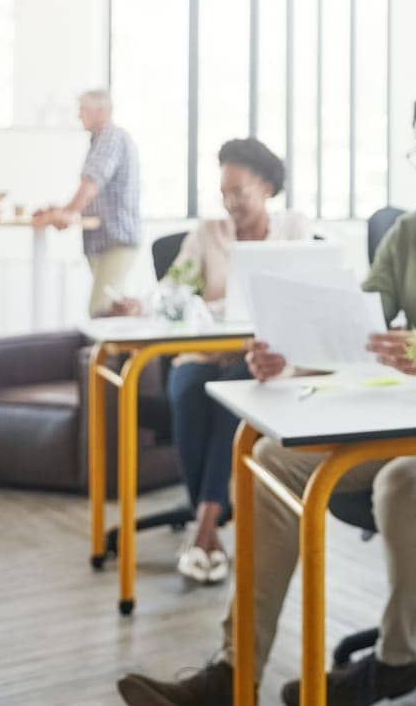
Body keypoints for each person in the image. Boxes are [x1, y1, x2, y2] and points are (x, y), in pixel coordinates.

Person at [117, 85, 416, 706]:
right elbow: (357, 329)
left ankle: (396, 661)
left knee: (401, 484)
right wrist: (289, 358)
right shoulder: (409, 234)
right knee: (270, 461)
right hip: (410, 421)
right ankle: (232, 671)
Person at [152, 138, 310, 586]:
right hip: (202, 353)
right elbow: (172, 291)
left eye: (239, 192)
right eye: (224, 193)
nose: (230, 203)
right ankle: (211, 521)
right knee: (186, 394)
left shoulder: (293, 228)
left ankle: (203, 525)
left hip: (259, 357)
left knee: (232, 405)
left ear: (267, 188)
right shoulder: (207, 234)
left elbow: (301, 295)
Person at [34, 89, 141, 317]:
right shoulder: (100, 139)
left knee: (101, 310)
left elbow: (92, 183)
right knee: (115, 308)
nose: (78, 115)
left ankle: (104, 354)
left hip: (117, 237)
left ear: (102, 111)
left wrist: (68, 213)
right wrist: (63, 210)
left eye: (83, 109)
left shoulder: (112, 137)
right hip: (103, 240)